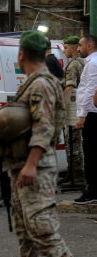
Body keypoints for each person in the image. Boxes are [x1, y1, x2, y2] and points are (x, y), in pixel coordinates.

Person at [0, 31, 81, 257]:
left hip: (36, 168)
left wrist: (31, 164)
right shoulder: (34, 82)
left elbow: (43, 127)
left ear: (21, 54)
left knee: (43, 230)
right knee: (26, 235)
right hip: (21, 166)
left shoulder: (41, 83)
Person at [59, 36, 85, 187]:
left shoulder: (74, 65)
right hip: (80, 106)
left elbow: (70, 87)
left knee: (73, 142)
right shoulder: (83, 62)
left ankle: (78, 176)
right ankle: (73, 174)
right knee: (75, 142)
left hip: (73, 107)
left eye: (67, 47)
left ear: (74, 48)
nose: (65, 50)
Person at [74, 34, 97, 204]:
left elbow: (90, 90)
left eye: (80, 45)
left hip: (91, 114)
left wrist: (82, 115)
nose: (78, 48)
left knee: (90, 154)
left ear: (89, 45)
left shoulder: (93, 63)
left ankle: (92, 191)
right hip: (91, 112)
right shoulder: (92, 62)